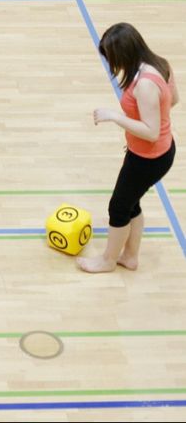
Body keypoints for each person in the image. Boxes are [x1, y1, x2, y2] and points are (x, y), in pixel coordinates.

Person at [77, 23, 178, 273]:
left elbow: (151, 132)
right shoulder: (160, 65)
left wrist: (115, 116)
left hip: (149, 158)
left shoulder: (144, 84)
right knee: (131, 202)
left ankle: (108, 261)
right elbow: (173, 100)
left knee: (119, 207)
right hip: (155, 152)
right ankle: (130, 257)